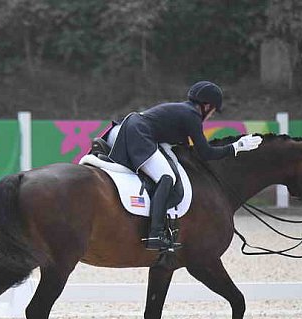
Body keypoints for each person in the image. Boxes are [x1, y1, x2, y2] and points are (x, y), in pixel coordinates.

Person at [104, 81, 263, 251]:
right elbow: (206, 153)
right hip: (138, 133)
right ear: (207, 106)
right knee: (167, 177)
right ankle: (155, 233)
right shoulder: (192, 116)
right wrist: (236, 147)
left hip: (123, 128)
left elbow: (186, 149)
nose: (211, 116)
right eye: (213, 112)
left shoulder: (182, 110)